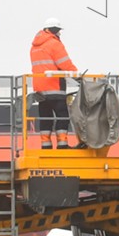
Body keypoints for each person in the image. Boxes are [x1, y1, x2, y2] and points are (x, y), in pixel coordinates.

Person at [30, 18, 79, 147]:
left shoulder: (34, 47)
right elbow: (64, 63)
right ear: (54, 30)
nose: (60, 34)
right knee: (62, 116)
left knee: (45, 117)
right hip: (54, 87)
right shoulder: (54, 44)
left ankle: (45, 144)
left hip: (40, 89)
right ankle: (62, 144)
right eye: (58, 31)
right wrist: (77, 75)